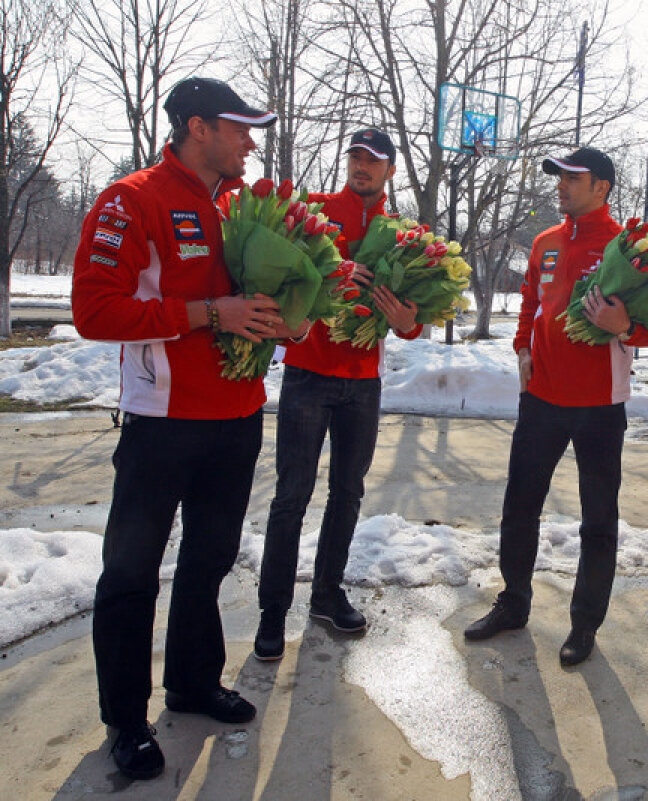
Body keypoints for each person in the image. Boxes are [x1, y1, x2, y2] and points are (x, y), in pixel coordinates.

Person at [72, 77, 286, 780]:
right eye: (240, 128)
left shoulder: (238, 207)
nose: (251, 142)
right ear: (199, 128)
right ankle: (126, 720)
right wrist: (205, 314)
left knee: (210, 557)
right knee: (132, 571)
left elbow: (251, 300)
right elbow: (95, 312)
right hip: (162, 424)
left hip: (237, 417)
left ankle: (193, 681)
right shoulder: (131, 200)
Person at [464, 147, 648, 666]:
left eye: (571, 179)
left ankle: (584, 624)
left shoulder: (629, 246)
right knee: (520, 506)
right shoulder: (546, 242)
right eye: (559, 177)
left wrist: (629, 329)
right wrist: (523, 348)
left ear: (601, 187)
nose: (560, 186)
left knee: (598, 520)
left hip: (600, 403)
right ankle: (513, 602)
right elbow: (531, 298)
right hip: (542, 398)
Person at [253, 129, 421, 660]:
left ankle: (326, 594)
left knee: (347, 494)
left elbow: (415, 319)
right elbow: (281, 274)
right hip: (308, 373)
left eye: (372, 160)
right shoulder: (317, 212)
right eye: (354, 157)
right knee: (291, 497)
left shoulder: (405, 233)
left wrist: (408, 322)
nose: (361, 167)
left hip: (362, 383)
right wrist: (338, 270)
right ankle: (272, 612)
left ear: (391, 170)